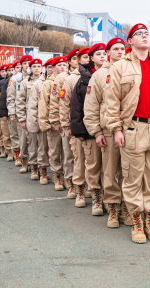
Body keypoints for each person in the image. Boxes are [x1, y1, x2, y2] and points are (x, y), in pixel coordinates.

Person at [106, 23, 150, 244]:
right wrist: (116, 129)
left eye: (147, 34)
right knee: (132, 179)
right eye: (139, 34)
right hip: (133, 129)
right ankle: (137, 222)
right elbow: (112, 101)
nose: (145, 37)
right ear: (130, 41)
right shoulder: (120, 66)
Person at [84, 38, 133, 228]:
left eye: (123, 49)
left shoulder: (131, 70)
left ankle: (127, 207)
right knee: (110, 171)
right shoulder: (99, 75)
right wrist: (96, 132)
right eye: (116, 49)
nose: (120, 52)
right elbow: (91, 106)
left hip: (130, 129)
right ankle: (112, 207)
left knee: (129, 172)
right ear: (108, 53)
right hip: (109, 130)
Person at [70, 43, 107, 216]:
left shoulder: (113, 74)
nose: (102, 56)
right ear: (91, 58)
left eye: (104, 53)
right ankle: (96, 198)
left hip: (109, 129)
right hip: (90, 130)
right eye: (98, 54)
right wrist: (79, 131)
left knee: (109, 168)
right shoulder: (83, 79)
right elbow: (76, 107)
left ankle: (108, 198)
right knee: (93, 165)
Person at [60, 47, 91, 206]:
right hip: (78, 124)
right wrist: (67, 126)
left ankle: (89, 186)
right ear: (78, 60)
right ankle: (77, 187)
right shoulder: (71, 79)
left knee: (91, 161)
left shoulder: (96, 75)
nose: (88, 59)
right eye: (84, 57)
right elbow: (65, 104)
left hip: (93, 126)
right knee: (77, 158)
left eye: (89, 56)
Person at [50, 48, 80, 194]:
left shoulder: (88, 74)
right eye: (74, 59)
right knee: (68, 154)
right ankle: (69, 179)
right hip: (67, 120)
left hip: (81, 122)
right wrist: (57, 121)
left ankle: (81, 182)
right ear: (69, 62)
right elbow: (56, 101)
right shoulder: (62, 78)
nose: (77, 61)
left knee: (81, 155)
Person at [38, 56, 67, 190]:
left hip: (67, 122)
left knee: (67, 153)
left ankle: (67, 176)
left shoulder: (69, 79)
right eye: (59, 65)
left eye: (64, 65)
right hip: (54, 123)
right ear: (54, 68)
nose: (62, 67)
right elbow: (43, 104)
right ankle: (57, 175)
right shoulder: (48, 83)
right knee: (55, 151)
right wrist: (45, 124)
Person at [16, 57, 42, 174]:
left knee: (42, 144)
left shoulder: (45, 81)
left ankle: (41, 167)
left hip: (41, 116)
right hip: (29, 116)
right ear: (30, 69)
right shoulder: (24, 83)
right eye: (34, 67)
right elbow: (20, 101)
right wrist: (22, 119)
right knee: (27, 142)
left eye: (39, 66)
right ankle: (30, 165)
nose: (37, 69)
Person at [8, 55, 32, 167]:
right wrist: (12, 113)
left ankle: (33, 162)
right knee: (21, 138)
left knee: (32, 140)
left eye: (29, 63)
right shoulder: (15, 79)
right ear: (21, 65)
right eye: (24, 63)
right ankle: (22, 160)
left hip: (32, 113)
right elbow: (11, 97)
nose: (27, 65)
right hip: (20, 112)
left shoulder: (37, 77)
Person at [0, 64, 13, 160]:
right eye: (9, 70)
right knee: (6, 133)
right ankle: (9, 151)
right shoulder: (2, 83)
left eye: (12, 70)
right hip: (6, 111)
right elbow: (1, 99)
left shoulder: (19, 80)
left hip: (14, 111)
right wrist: (2, 113)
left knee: (14, 134)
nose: (11, 72)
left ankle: (16, 153)